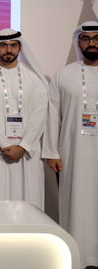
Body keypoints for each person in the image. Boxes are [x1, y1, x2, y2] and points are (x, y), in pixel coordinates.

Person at [0, 29, 48, 208]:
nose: (9, 50)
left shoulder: (34, 78)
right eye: (3, 45)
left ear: (20, 47)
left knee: (29, 206)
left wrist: (23, 146)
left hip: (27, 153)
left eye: (13, 45)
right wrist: (6, 145)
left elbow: (39, 114)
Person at [43, 21, 98, 268]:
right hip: (73, 153)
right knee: (76, 203)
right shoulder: (63, 75)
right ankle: (79, 255)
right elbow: (52, 115)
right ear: (79, 43)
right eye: (86, 39)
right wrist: (51, 151)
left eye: (96, 38)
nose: (91, 43)